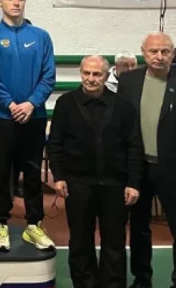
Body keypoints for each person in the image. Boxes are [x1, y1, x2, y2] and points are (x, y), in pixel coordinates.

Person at [48, 55, 143, 288]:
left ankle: (113, 284)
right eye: (86, 73)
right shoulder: (65, 103)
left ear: (106, 75)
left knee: (115, 241)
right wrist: (58, 176)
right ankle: (84, 283)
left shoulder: (123, 106)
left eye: (97, 74)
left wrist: (133, 182)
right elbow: (55, 142)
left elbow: (134, 145)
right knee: (80, 239)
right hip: (77, 183)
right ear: (80, 73)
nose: (91, 79)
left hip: (115, 185)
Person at [0, 0, 56, 252]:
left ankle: (34, 224)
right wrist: (11, 104)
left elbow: (48, 76)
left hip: (34, 117)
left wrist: (31, 104)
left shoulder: (41, 36)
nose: (15, 3)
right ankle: (1, 223)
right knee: (1, 172)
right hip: (2, 116)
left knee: (33, 173)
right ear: (0, 1)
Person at [117, 32, 176, 288]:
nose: (159, 56)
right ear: (143, 52)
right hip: (137, 168)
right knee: (139, 228)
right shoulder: (128, 81)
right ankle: (142, 279)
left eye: (165, 51)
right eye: (153, 51)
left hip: (172, 168)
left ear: (173, 54)